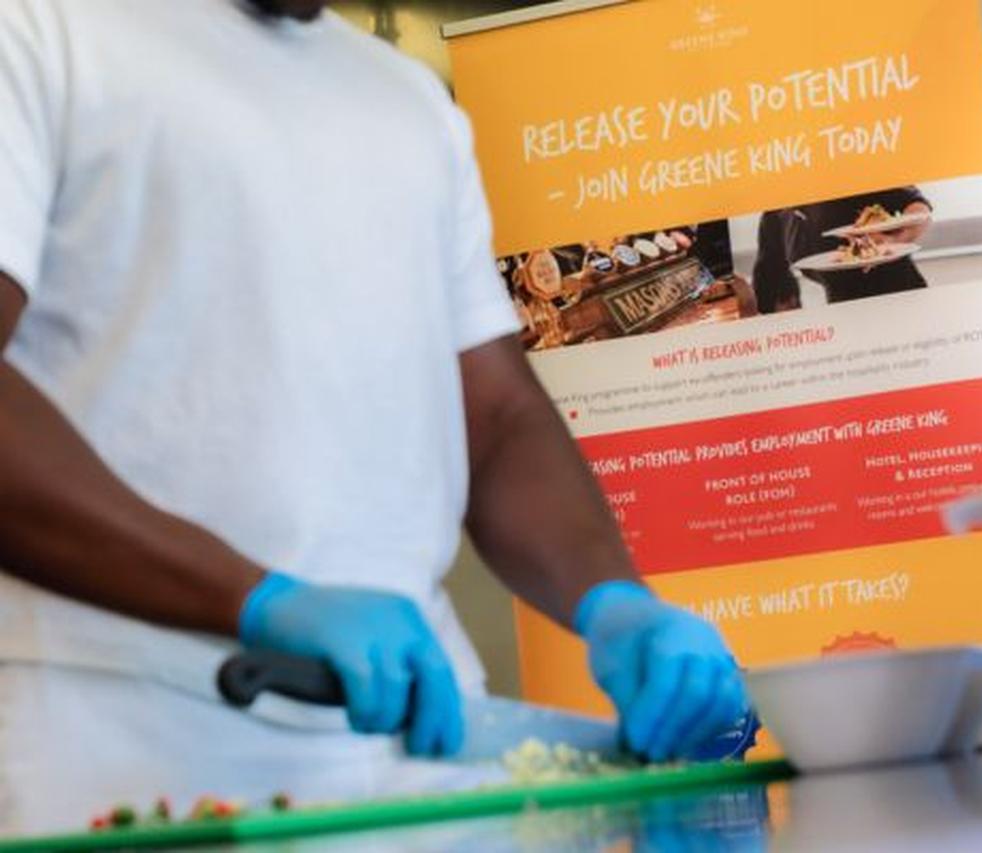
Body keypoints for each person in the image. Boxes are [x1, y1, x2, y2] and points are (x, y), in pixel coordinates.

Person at [0, 0, 746, 812]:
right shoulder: (43, 30)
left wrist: (614, 601)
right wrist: (255, 599)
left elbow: (495, 417)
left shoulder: (407, 101)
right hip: (121, 737)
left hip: (422, 745)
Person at [752, 187, 932, 313]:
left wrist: (893, 241)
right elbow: (771, 283)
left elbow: (918, 207)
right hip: (843, 312)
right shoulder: (775, 212)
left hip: (901, 298)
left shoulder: (844, 165)